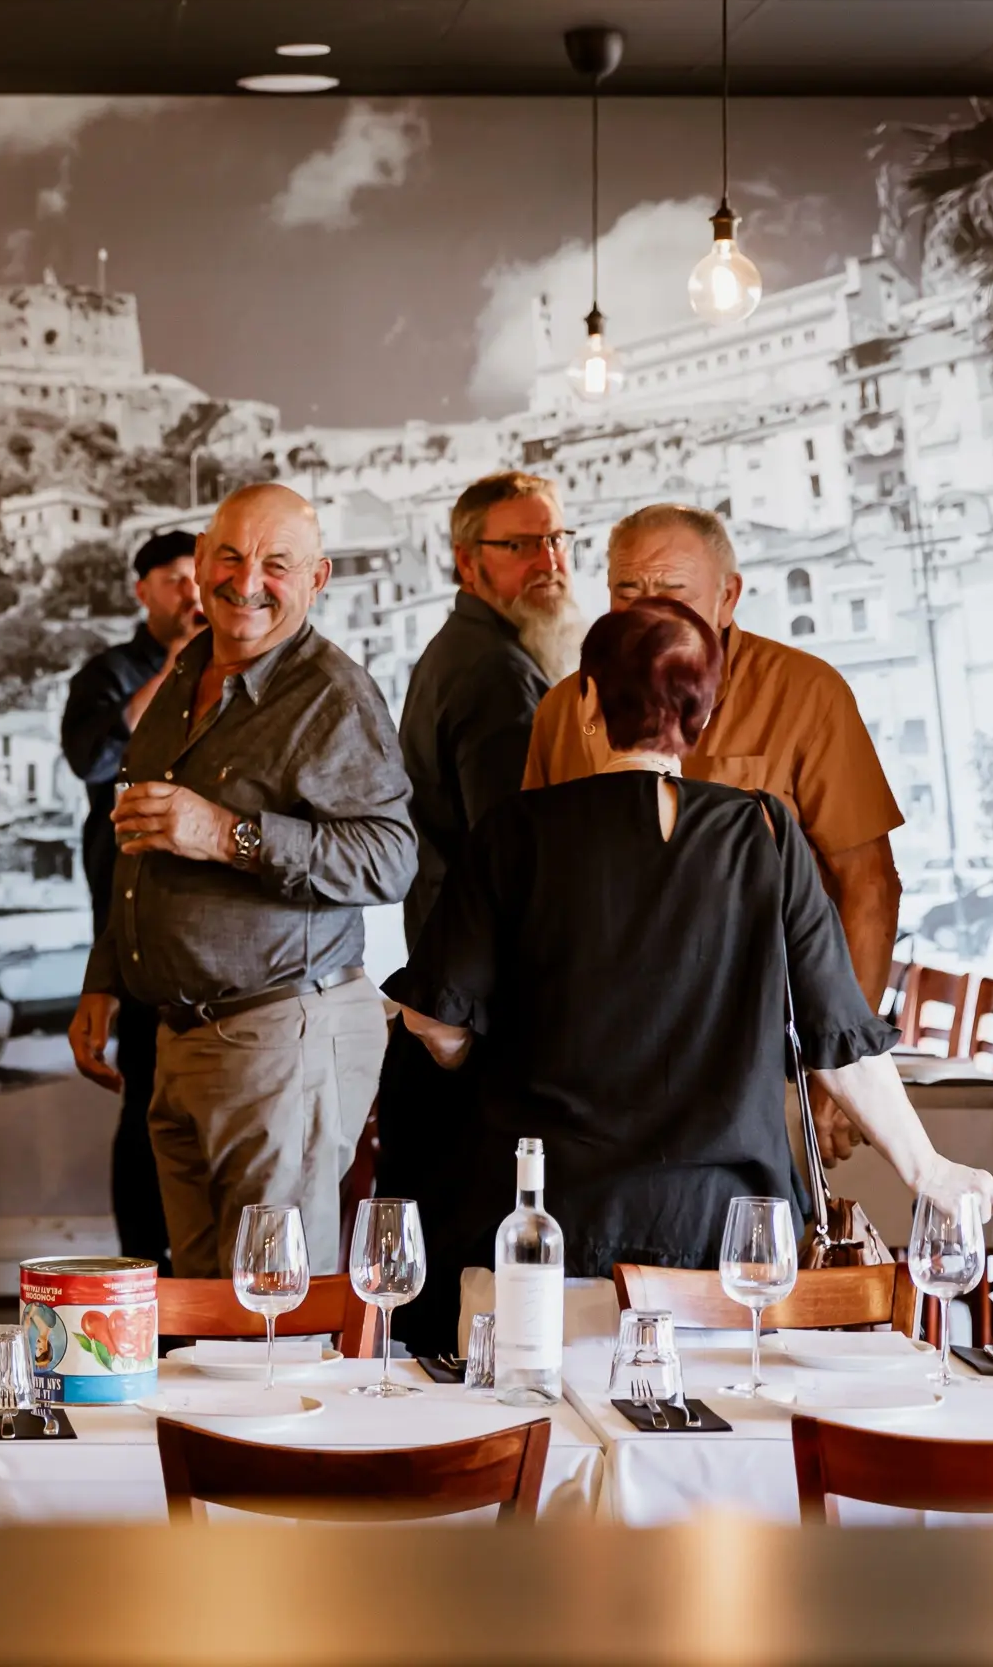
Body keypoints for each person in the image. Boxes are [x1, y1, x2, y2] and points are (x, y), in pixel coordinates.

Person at [388, 599, 993, 1291]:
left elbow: (434, 1019)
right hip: (728, 1231)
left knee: (544, 1398)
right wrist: (929, 1170)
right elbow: (840, 1038)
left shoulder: (513, 833)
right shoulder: (764, 834)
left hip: (554, 1220)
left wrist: (477, 1056)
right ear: (702, 716)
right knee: (723, 1399)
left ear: (587, 702)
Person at [67, 483, 417, 1279]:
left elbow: (390, 858)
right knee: (200, 1317)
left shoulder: (331, 694)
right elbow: (140, 837)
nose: (247, 579)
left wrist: (228, 834)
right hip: (180, 1042)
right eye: (229, 555)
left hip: (281, 1039)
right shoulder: (187, 672)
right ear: (197, 563)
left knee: (269, 1324)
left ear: (317, 579)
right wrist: (105, 979)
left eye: (277, 563)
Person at [524, 503, 904, 1006]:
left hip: (766, 1024)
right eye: (627, 591)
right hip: (610, 1030)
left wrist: (840, 1055)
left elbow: (869, 885)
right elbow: (534, 884)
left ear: (727, 598)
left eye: (674, 592)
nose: (648, 614)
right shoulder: (565, 708)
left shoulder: (806, 694)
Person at [378, 470, 586, 1343]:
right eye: (521, 545)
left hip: (454, 989)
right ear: (468, 564)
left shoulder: (481, 655)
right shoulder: (498, 679)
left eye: (557, 540)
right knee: (474, 1247)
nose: (548, 562)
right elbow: (517, 858)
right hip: (475, 1011)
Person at [58, 529, 204, 1268]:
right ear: (142, 590)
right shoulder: (109, 674)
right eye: (174, 580)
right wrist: (177, 668)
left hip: (202, 920)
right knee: (144, 1094)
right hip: (126, 908)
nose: (191, 593)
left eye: (196, 578)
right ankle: (139, 1268)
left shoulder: (230, 670)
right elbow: (94, 758)